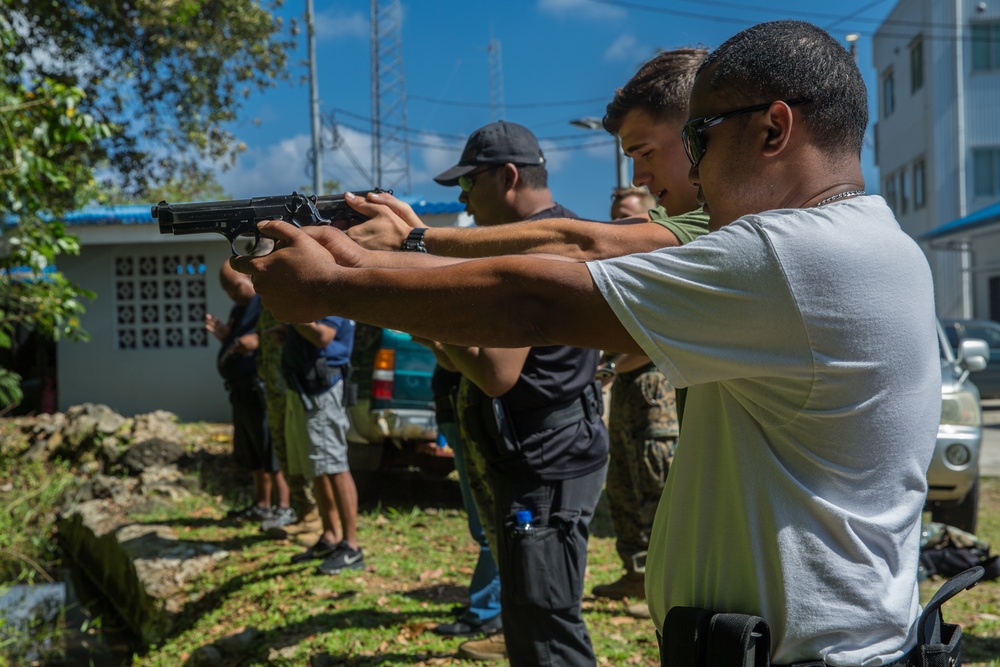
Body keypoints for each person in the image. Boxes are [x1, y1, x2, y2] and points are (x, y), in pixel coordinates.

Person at [235, 20, 944, 664]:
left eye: (698, 137)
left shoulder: (794, 258)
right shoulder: (866, 246)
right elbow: (556, 267)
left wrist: (336, 284)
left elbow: (539, 296)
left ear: (772, 129)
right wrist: (365, 260)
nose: (689, 171)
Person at [407, 120, 610, 666]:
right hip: (546, 452)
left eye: (469, 184)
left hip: (547, 461)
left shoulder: (531, 254)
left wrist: (431, 320)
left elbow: (496, 374)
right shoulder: (561, 232)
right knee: (532, 614)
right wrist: (440, 339)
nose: (465, 198)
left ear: (508, 176)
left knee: (545, 626)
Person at [205, 263, 290, 522]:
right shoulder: (239, 309)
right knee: (251, 450)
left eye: (235, 286)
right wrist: (227, 337)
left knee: (268, 448)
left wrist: (258, 340)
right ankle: (261, 504)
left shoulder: (265, 303)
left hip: (258, 386)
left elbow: (283, 332)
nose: (232, 294)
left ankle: (284, 506)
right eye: (227, 290)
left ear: (248, 278)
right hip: (239, 390)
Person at [426, 360, 503, 639]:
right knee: (482, 524)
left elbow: (456, 361)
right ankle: (485, 605)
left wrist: (439, 340)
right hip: (457, 411)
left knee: (489, 526)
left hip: (475, 416)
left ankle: (488, 611)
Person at [281, 316, 364, 575]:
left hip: (322, 391)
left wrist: (290, 314)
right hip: (305, 388)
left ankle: (351, 547)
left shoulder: (331, 287)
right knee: (318, 467)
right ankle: (330, 536)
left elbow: (323, 335)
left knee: (336, 466)